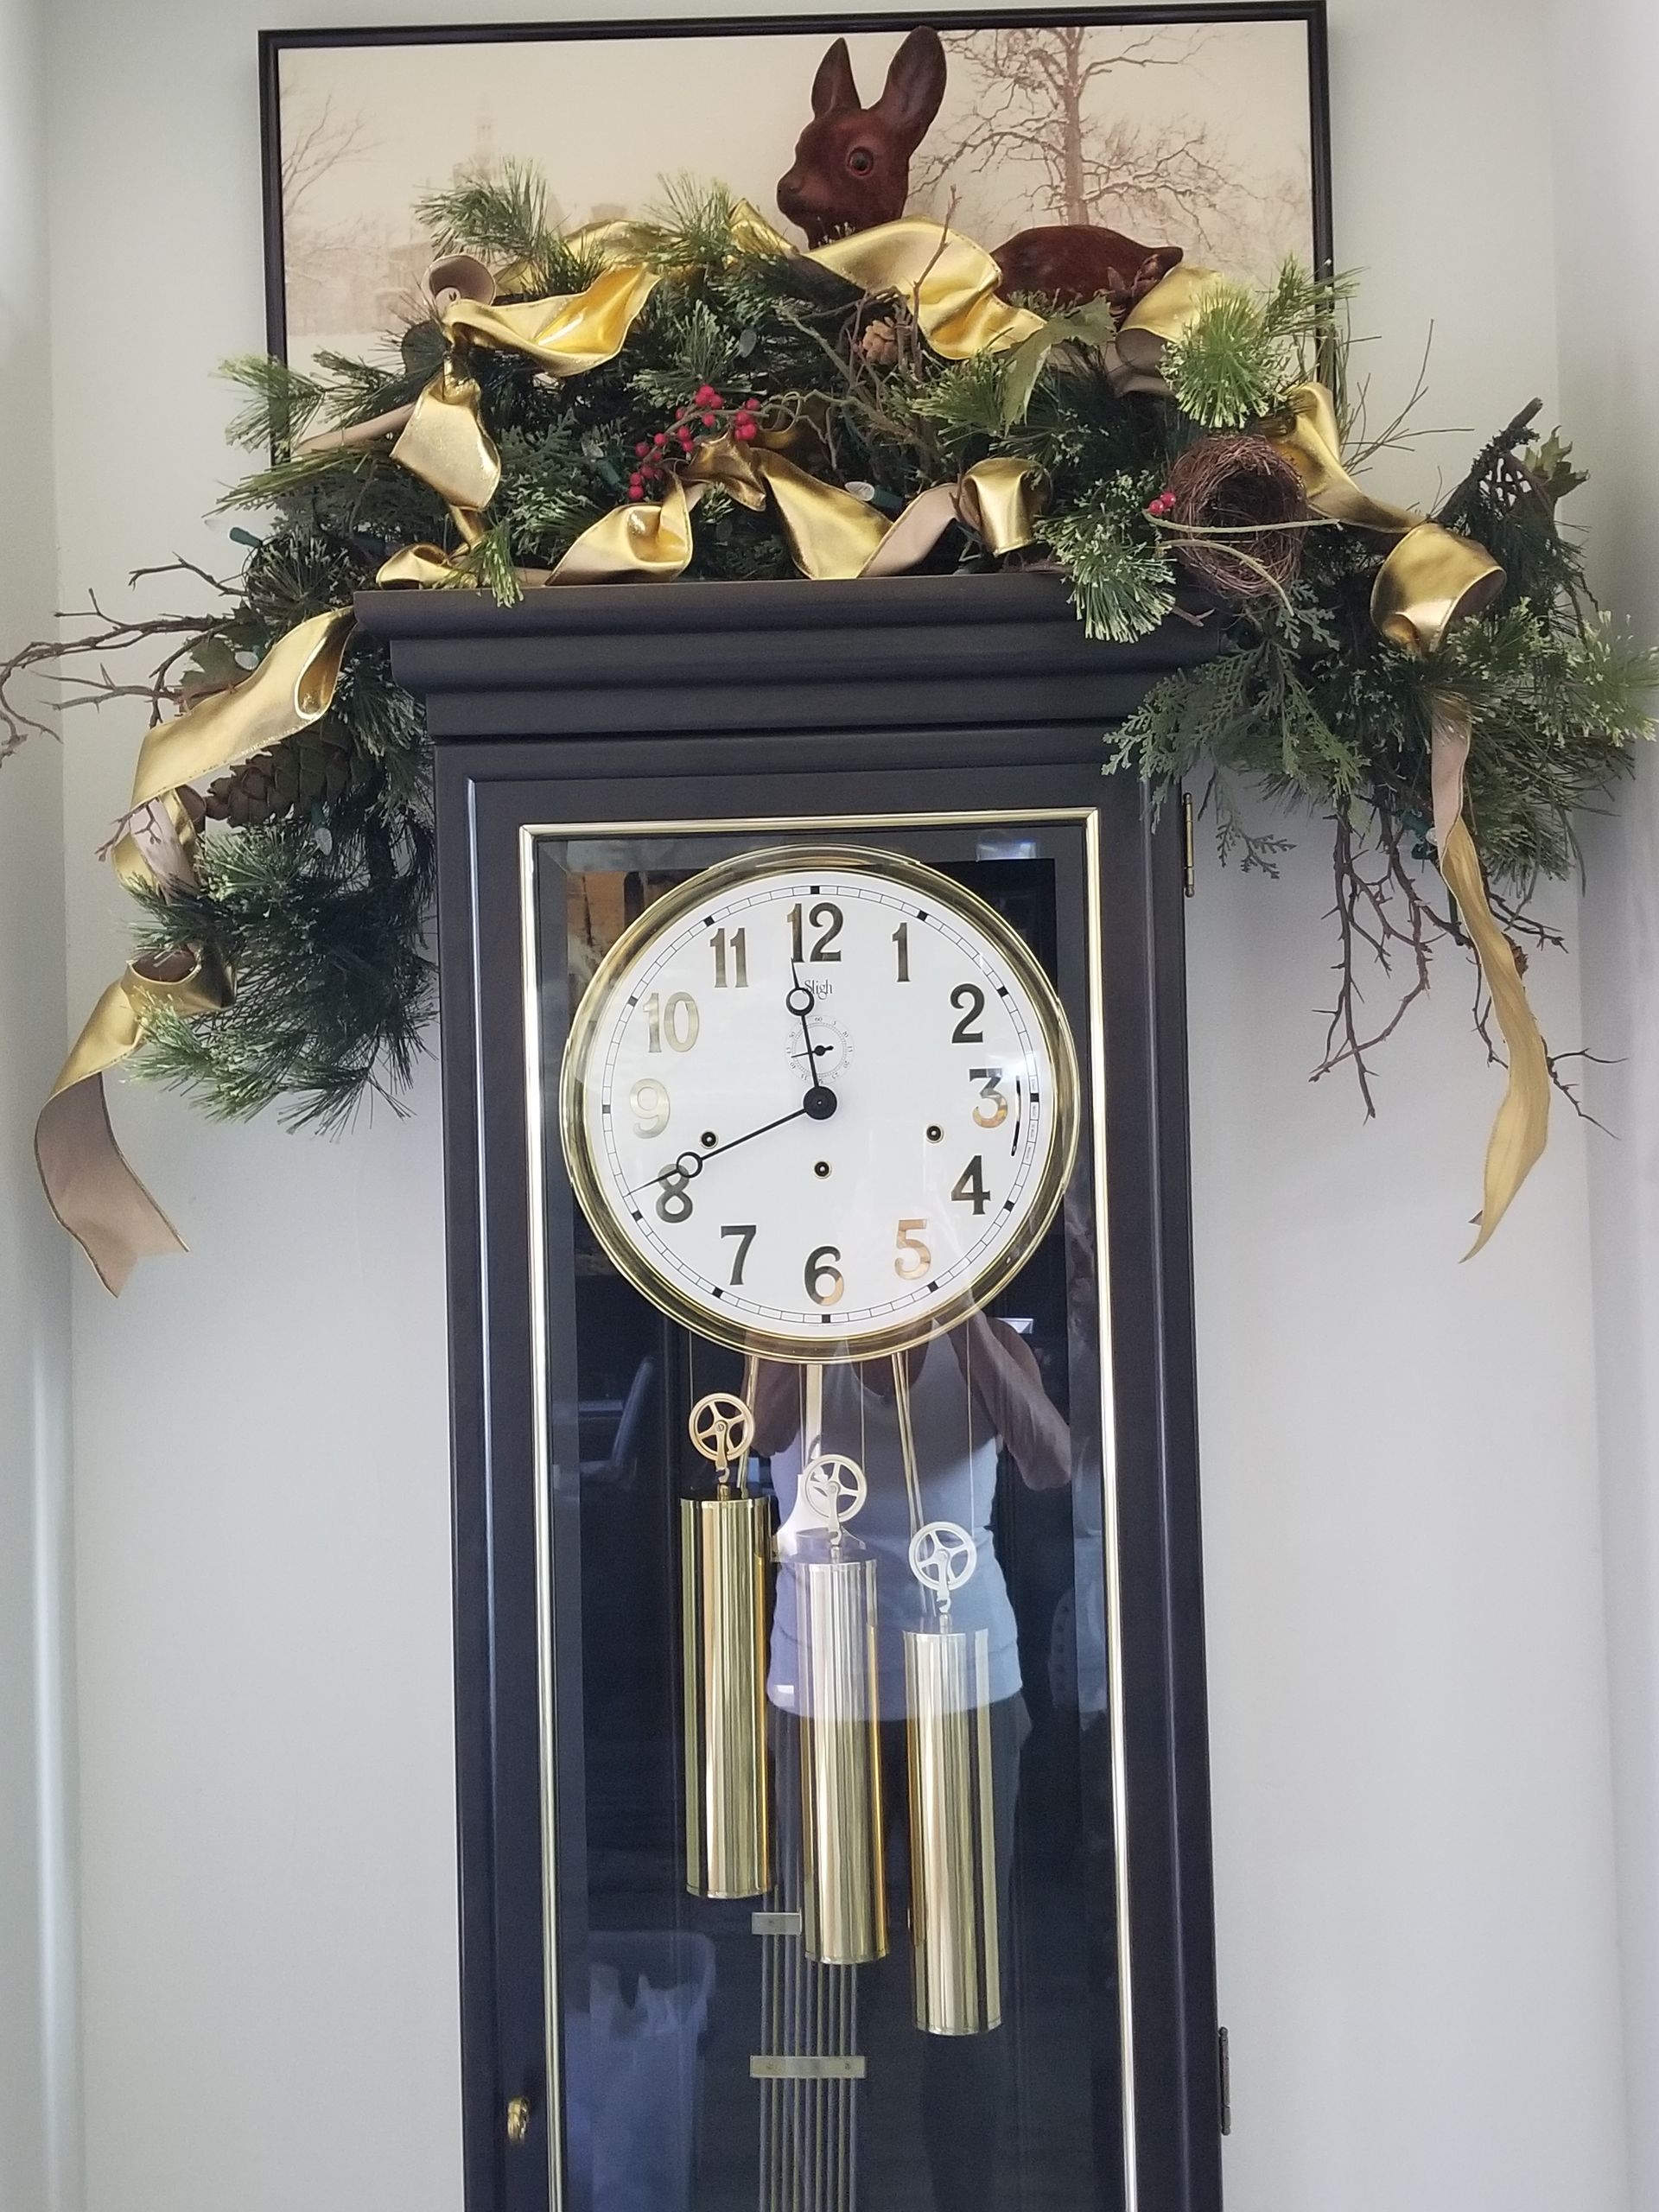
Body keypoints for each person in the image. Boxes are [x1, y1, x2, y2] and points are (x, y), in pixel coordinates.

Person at [750, 1313, 1071, 2212]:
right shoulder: (793, 1325)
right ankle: (824, 2191)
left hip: (965, 1687)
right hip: (823, 1694)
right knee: (827, 1979)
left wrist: (961, 1318)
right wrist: (821, 1315)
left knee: (960, 1984)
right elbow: (762, 1430)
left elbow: (1050, 1461)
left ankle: (963, 2195)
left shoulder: (989, 1335)